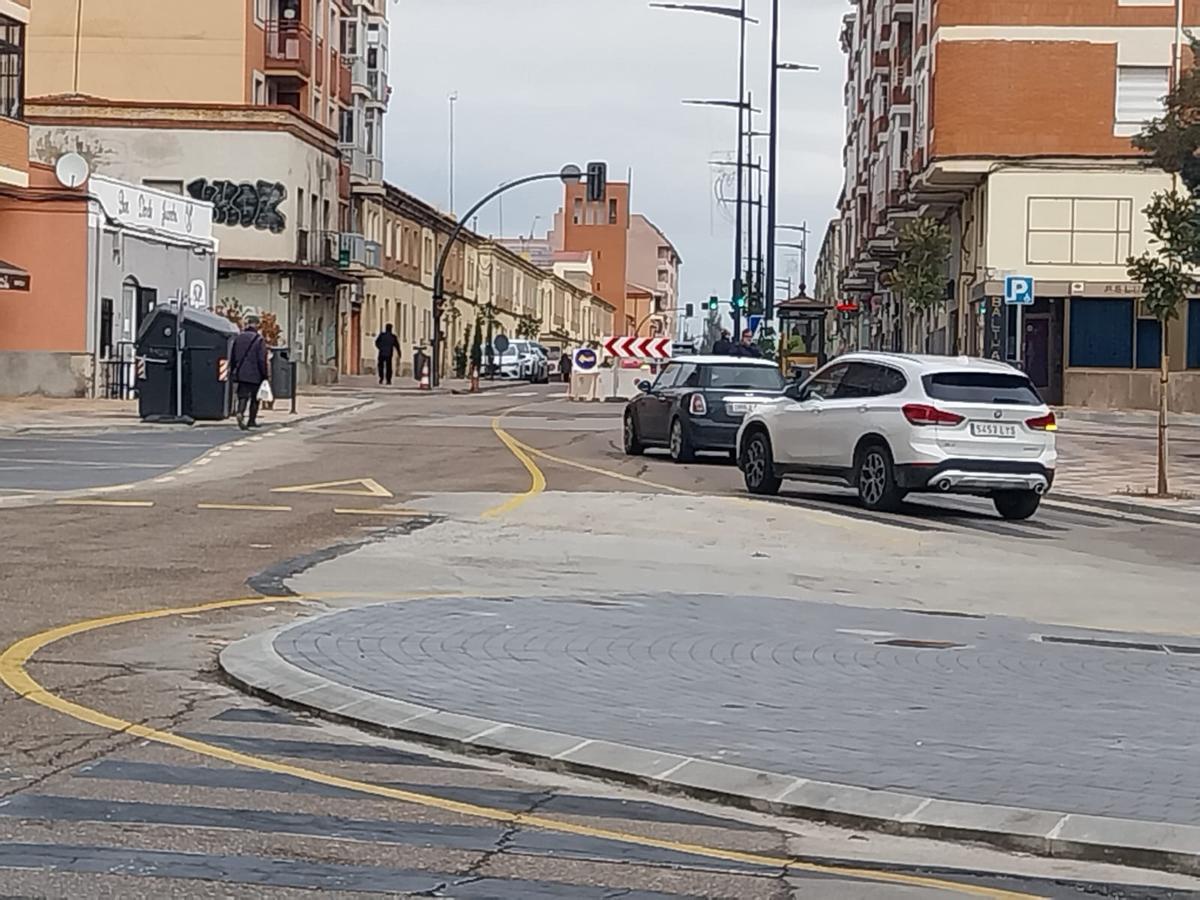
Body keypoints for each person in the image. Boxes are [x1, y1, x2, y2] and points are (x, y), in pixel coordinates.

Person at [229, 315, 269, 430]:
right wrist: (265, 375)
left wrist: (233, 371)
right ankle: (252, 420)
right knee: (255, 398)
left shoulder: (239, 338)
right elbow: (262, 359)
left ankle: (240, 412)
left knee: (243, 396)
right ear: (257, 325)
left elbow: (233, 356)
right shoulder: (259, 339)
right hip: (255, 375)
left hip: (241, 373)